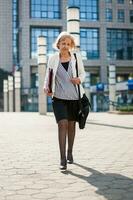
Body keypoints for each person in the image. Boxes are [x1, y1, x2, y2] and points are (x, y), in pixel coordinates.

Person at [44, 31, 86, 171]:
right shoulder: (53, 58)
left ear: (71, 45)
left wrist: (79, 79)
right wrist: (46, 87)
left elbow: (82, 73)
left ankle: (70, 152)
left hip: (74, 98)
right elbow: (48, 76)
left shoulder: (76, 57)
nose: (65, 46)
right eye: (63, 43)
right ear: (58, 44)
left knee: (71, 126)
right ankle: (62, 158)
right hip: (58, 98)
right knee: (62, 124)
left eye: (68, 44)